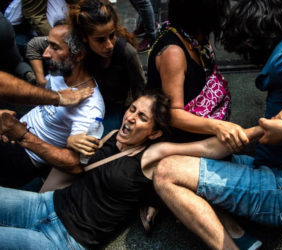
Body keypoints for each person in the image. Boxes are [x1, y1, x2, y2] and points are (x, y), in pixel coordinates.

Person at [152, 0, 282, 249]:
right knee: (196, 163)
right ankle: (242, 238)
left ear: (250, 42)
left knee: (165, 174)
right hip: (271, 170)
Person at [0, 91, 262, 249]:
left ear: (154, 132)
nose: (131, 118)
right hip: (44, 205)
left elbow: (209, 148)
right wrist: (72, 141)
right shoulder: (113, 134)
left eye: (142, 118)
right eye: (132, 109)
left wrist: (260, 128)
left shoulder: (150, 154)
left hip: (64, 240)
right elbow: (76, 164)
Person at [0, 20, 104, 188]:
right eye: (48, 45)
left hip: (26, 154)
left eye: (55, 47)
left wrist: (22, 136)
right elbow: (33, 47)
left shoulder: (91, 107)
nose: (46, 54)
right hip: (16, 127)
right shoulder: (60, 72)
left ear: (78, 54)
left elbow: (76, 165)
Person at [29, 0, 146, 134]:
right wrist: (41, 81)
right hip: (80, 100)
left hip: (114, 108)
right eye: (100, 40)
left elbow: (141, 91)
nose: (109, 45)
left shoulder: (126, 52)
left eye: (112, 35)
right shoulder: (77, 45)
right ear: (84, 38)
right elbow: (34, 46)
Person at [147, 0, 248, 151]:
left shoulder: (197, 38)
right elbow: (173, 113)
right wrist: (218, 126)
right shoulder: (173, 53)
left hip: (201, 132)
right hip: (182, 146)